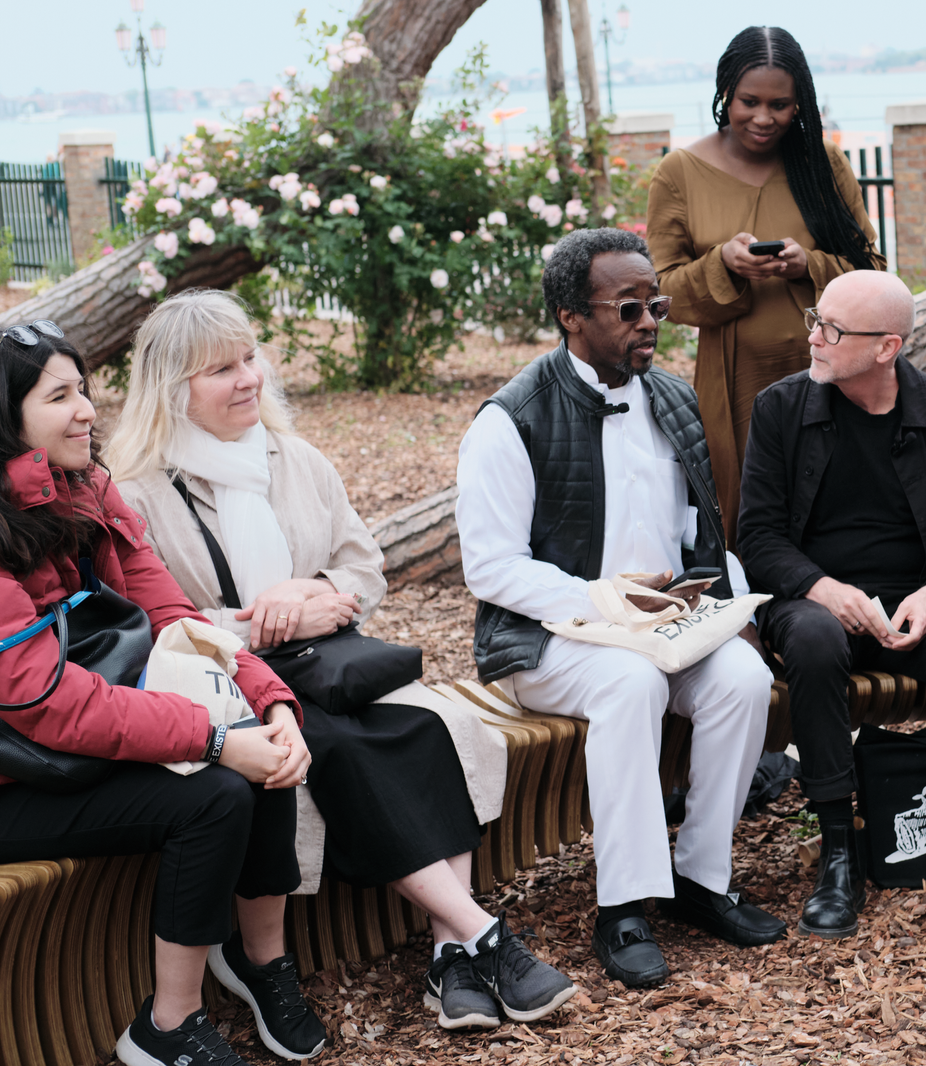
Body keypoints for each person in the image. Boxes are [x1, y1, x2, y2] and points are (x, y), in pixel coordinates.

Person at [107, 290, 575, 1034]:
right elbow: (147, 622)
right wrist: (254, 625)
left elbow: (364, 566)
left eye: (250, 358)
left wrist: (323, 595)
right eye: (220, 370)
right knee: (342, 749)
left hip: (328, 661)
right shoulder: (135, 495)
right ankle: (485, 934)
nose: (248, 379)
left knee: (430, 728)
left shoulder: (297, 461)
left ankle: (454, 954)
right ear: (172, 390)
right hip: (228, 685)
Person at [456, 228, 782, 988]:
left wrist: (726, 604)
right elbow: (492, 567)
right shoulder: (512, 419)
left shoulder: (670, 396)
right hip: (548, 639)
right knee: (630, 685)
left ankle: (702, 879)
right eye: (628, 308)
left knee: (741, 679)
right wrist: (605, 603)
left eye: (656, 305)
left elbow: (705, 532)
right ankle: (625, 904)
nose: (649, 323)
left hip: (666, 625)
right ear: (571, 315)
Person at [0, 320, 313, 1066]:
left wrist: (272, 703)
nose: (87, 411)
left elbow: (173, 614)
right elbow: (41, 699)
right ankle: (166, 1028)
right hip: (17, 774)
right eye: (60, 397)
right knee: (214, 792)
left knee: (261, 754)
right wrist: (209, 737)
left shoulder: (88, 490)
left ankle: (260, 964)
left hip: (75, 748)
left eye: (85, 391)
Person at [739, 270, 926, 947]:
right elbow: (758, 537)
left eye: (832, 330)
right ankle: (838, 856)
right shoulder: (780, 410)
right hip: (813, 605)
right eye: (816, 319)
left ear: (887, 347)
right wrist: (820, 587)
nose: (814, 338)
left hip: (914, 605)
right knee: (809, 641)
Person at [647, 24, 886, 543]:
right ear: (724, 93)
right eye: (748, 101)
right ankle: (752, 619)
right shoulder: (679, 173)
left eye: (780, 104)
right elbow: (659, 292)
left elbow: (873, 271)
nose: (764, 118)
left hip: (830, 371)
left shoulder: (822, 166)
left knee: (838, 497)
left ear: (800, 103)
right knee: (746, 512)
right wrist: (722, 265)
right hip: (735, 381)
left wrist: (810, 266)